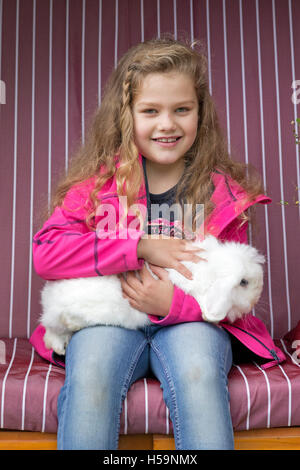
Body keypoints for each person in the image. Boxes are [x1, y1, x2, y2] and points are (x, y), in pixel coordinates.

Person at [30, 37, 285, 450]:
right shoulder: (97, 187)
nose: (167, 124)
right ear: (126, 115)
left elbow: (237, 292)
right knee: (92, 368)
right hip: (108, 321)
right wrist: (139, 248)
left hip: (192, 324)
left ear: (201, 114)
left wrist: (174, 306)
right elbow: (47, 253)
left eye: (182, 109)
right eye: (151, 111)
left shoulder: (222, 194)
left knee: (199, 370)